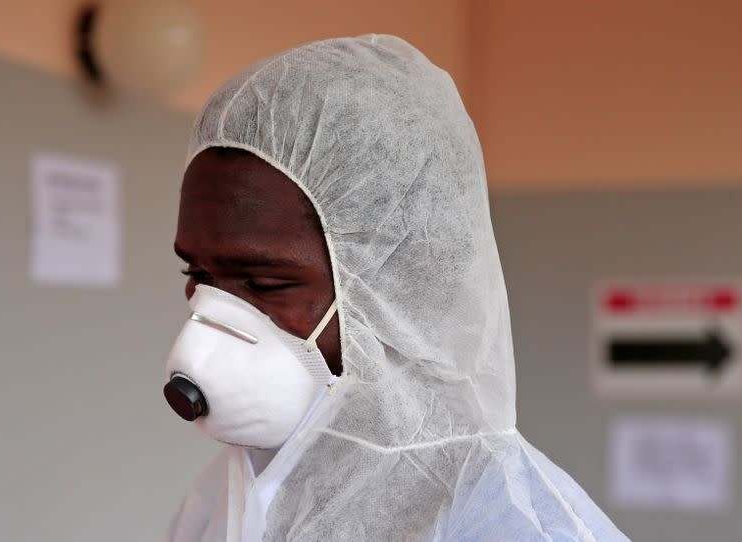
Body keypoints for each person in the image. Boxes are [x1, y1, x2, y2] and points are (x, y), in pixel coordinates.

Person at [164, 35, 629, 541]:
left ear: (402, 282)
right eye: (199, 276)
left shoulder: (508, 524)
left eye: (265, 283)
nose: (211, 323)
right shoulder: (234, 494)